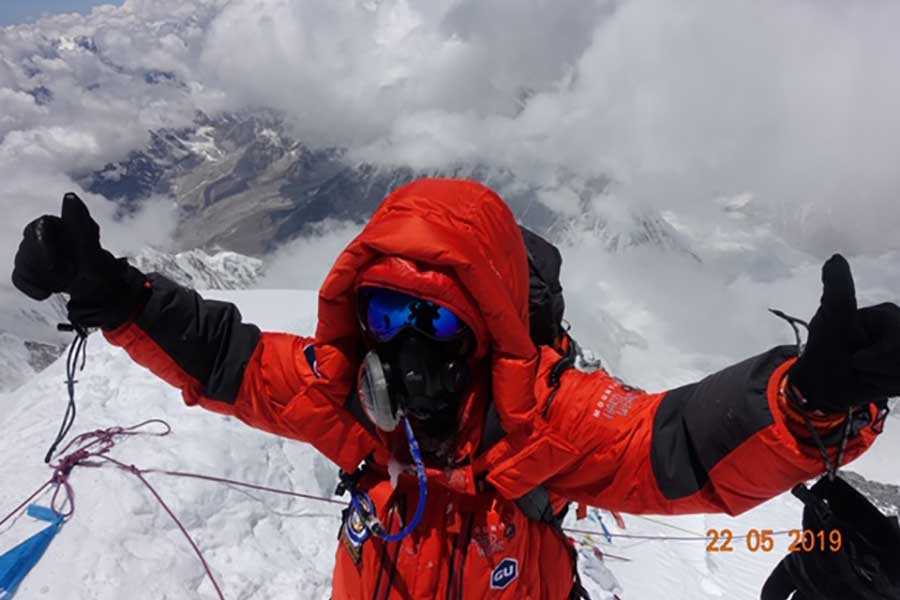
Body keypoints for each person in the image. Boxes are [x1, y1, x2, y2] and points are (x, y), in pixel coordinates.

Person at [11, 179, 900, 599]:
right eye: (385, 320)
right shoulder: (346, 399)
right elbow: (226, 359)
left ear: (490, 331)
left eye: (434, 321)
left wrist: (808, 405)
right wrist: (119, 296)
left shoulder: (548, 419)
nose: (403, 349)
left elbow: (674, 444)